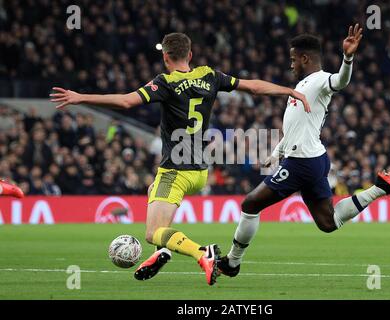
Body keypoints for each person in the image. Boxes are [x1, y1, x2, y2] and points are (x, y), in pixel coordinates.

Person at [50, 32, 310, 286]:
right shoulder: (208, 75)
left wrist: (80, 98)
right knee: (155, 196)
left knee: (153, 232)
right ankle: (163, 252)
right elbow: (253, 86)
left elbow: (126, 102)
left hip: (175, 169)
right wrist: (290, 90)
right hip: (200, 171)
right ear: (191, 54)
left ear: (165, 58)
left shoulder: (166, 82)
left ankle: (201, 253)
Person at [218, 24, 390, 277]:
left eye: (293, 59)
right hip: (313, 159)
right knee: (328, 222)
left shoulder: (320, 81)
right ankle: (381, 187)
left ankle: (232, 262)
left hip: (302, 162)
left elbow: (340, 81)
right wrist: (277, 152)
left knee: (250, 204)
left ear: (305, 58)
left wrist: (347, 57)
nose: (291, 65)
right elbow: (296, 127)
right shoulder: (303, 84)